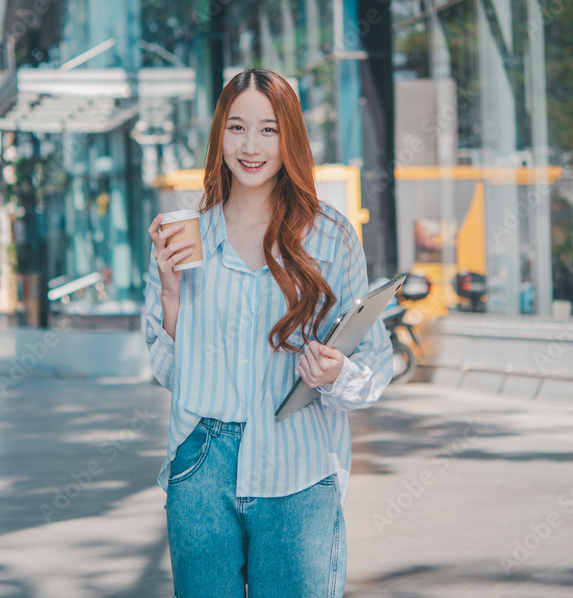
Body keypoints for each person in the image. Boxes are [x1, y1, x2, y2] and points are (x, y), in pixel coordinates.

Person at [144, 68, 393, 597]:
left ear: (291, 139)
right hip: (201, 464)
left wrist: (335, 372)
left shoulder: (330, 236)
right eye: (236, 128)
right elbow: (170, 372)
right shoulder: (185, 236)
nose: (251, 146)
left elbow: (372, 365)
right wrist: (169, 292)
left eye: (269, 129)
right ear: (219, 136)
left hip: (299, 461)